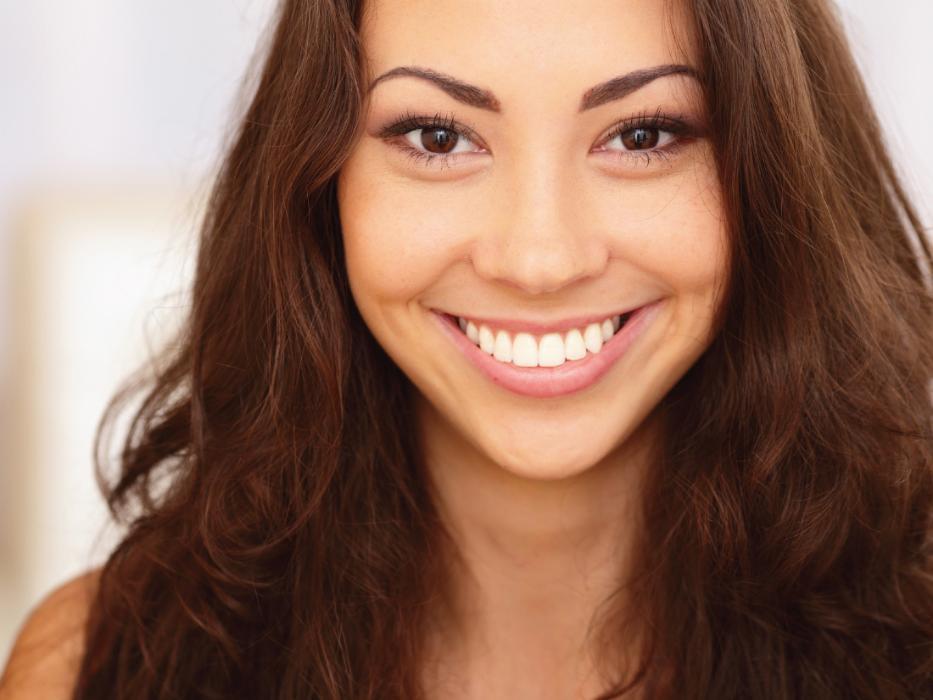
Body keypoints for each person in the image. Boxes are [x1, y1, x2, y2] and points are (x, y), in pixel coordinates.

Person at [2, 0, 931, 697]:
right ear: (317, 184)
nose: (539, 259)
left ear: (777, 175)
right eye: (438, 136)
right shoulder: (92, 666)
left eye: (643, 135)